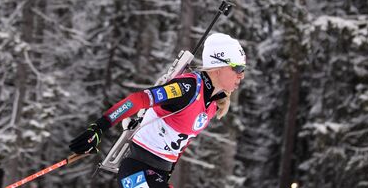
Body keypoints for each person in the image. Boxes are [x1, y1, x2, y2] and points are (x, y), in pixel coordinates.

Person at [69, 33, 246, 188]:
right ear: (218, 67)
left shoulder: (214, 103)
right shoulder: (187, 88)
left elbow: (180, 143)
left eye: (243, 70)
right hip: (136, 171)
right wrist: (98, 128)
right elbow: (137, 100)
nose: (241, 75)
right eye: (237, 68)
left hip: (157, 175)